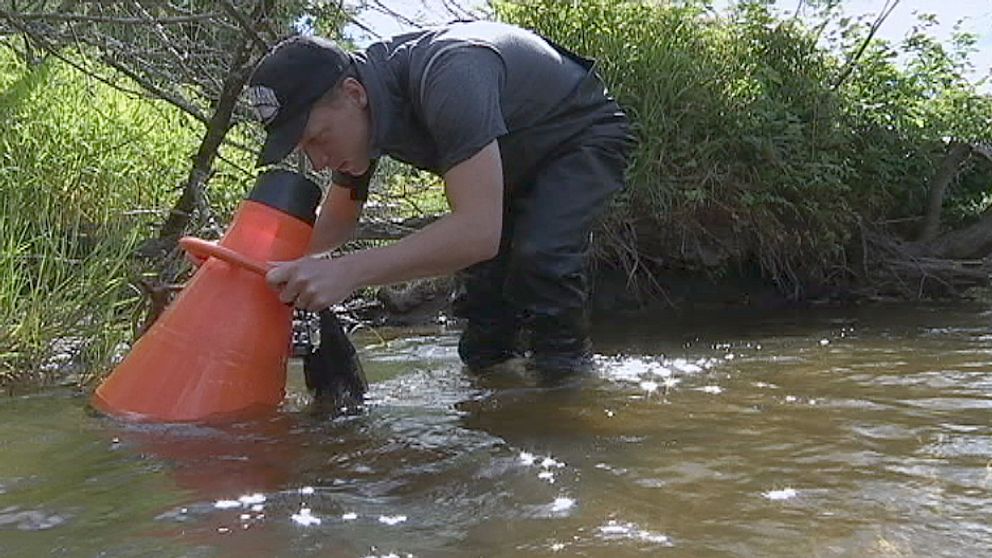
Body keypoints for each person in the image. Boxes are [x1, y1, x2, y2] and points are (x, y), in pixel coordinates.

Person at [248, 21, 634, 373]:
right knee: (483, 300)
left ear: (353, 94)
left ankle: (570, 397)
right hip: (505, 161)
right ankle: (497, 407)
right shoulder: (358, 113)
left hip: (579, 137)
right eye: (305, 148)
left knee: (541, 258)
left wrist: (347, 271)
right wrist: (247, 265)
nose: (317, 162)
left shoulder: (449, 75)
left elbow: (477, 232)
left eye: (318, 139)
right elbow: (338, 222)